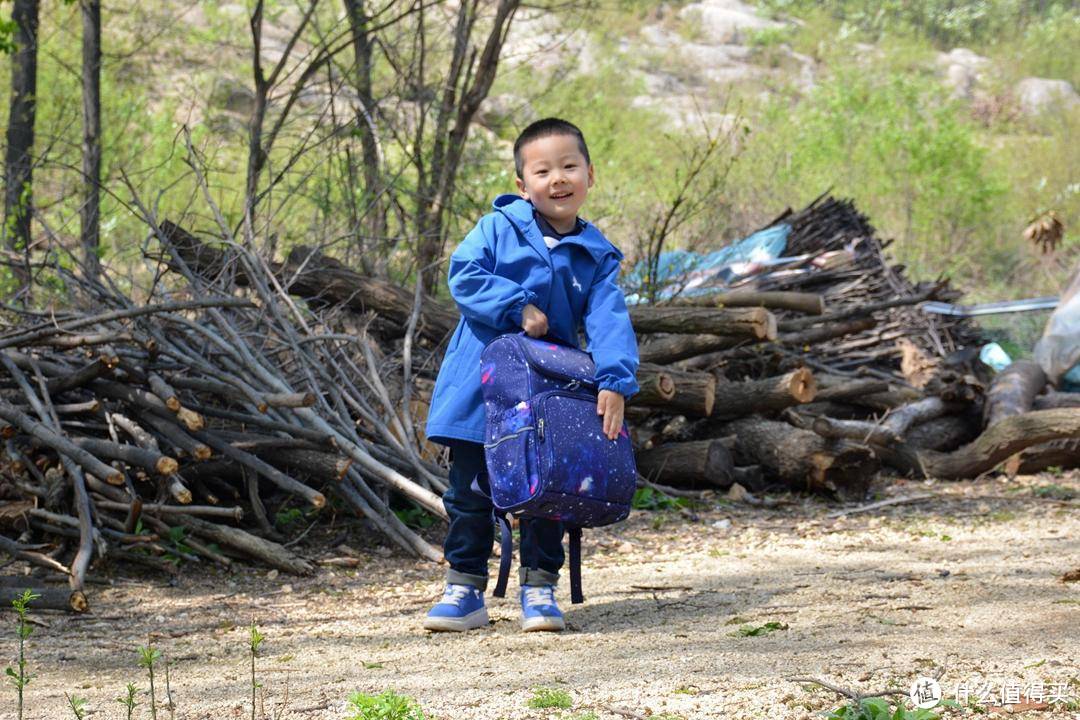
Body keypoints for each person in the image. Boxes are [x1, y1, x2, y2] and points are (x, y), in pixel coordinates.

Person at [422, 117, 639, 632]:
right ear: (523, 185)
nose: (557, 179)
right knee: (469, 490)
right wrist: (516, 307)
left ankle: (540, 589)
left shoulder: (596, 255)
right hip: (483, 386)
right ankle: (464, 590)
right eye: (543, 171)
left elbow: (609, 321)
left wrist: (614, 381)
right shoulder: (498, 228)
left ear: (590, 174)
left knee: (552, 489)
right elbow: (464, 274)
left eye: (569, 166)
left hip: (550, 393)